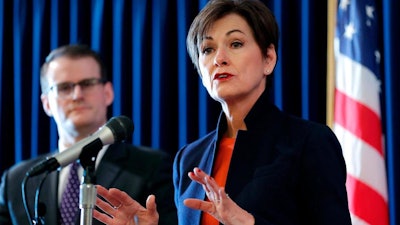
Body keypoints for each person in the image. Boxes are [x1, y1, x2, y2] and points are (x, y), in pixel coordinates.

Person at [92, 0, 352, 224]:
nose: (219, 58)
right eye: (207, 49)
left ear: (269, 59)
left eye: (236, 43)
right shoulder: (189, 158)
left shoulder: (309, 141)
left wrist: (248, 222)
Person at [0, 44, 177, 225]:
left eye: (87, 84)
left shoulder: (151, 166)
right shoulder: (18, 180)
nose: (77, 95)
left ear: (107, 93)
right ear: (46, 103)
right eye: (64, 87)